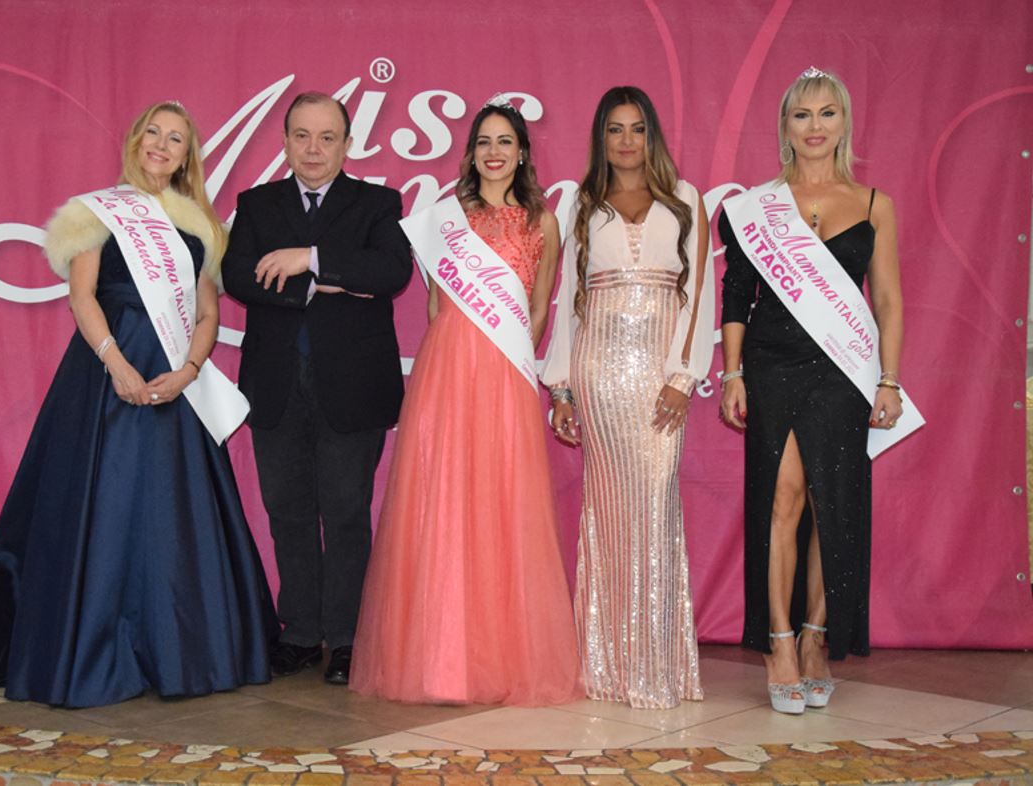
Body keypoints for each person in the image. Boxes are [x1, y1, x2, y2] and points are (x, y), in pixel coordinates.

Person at [0, 101, 278, 708]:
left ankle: (183, 650)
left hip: (175, 381)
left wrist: (188, 371)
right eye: (153, 132)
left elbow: (207, 312)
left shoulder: (202, 225)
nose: (161, 145)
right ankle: (93, 649)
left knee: (173, 515)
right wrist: (118, 364)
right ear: (134, 140)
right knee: (103, 504)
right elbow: (83, 297)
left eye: (175, 139)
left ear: (186, 157)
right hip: (106, 376)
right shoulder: (95, 212)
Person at [349, 100, 582, 706]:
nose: (494, 152)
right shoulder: (445, 217)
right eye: (484, 141)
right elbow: (435, 306)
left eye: (505, 141)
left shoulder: (543, 222)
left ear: (523, 152)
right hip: (447, 367)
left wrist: (507, 360)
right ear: (471, 152)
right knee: (444, 497)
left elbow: (538, 308)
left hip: (506, 371)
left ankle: (500, 658)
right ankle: (439, 661)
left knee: (502, 502)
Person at [718, 68, 904, 714]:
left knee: (833, 504)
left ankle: (816, 635)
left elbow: (887, 299)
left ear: (844, 123)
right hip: (772, 364)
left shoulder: (875, 204)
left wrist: (889, 378)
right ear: (785, 127)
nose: (816, 126)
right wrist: (733, 372)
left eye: (828, 113)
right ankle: (778, 641)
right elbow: (736, 294)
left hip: (844, 370)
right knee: (784, 498)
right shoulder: (755, 209)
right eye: (803, 114)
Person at [221, 92, 412, 686]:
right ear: (284, 142)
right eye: (301, 135)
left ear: (347, 144)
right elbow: (237, 276)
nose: (313, 149)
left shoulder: (377, 203)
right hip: (276, 384)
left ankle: (348, 638)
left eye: (327, 137)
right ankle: (301, 633)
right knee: (288, 512)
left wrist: (309, 257)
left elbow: (390, 272)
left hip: (353, 387)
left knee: (347, 512)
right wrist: (322, 282)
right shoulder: (257, 204)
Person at [542, 86, 713, 709]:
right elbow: (569, 302)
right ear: (601, 138)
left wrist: (682, 376)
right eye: (614, 129)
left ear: (652, 135)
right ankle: (608, 665)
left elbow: (699, 295)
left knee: (655, 510)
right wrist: (562, 386)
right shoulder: (581, 203)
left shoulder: (686, 199)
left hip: (659, 377)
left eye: (637, 128)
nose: (626, 141)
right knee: (609, 513)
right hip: (599, 372)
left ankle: (656, 667)